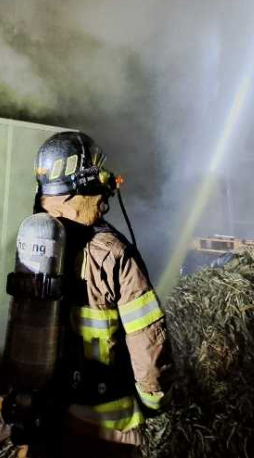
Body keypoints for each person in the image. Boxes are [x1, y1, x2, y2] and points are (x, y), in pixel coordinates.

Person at [21, 131, 173, 457]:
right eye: (99, 169)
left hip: (44, 416)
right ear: (84, 178)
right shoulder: (113, 252)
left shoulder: (34, 242)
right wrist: (154, 398)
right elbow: (147, 337)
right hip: (105, 426)